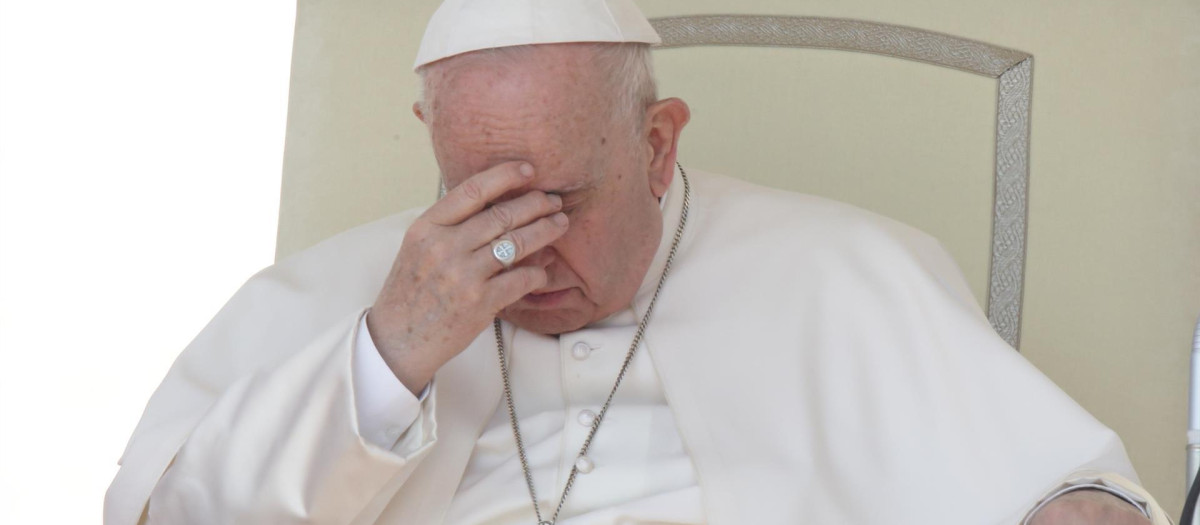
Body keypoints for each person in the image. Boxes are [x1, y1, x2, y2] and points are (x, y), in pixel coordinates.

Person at [105, 1, 1169, 523]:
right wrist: (385, 359)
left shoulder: (841, 270)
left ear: (657, 145)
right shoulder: (334, 297)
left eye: (558, 202)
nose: (516, 253)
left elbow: (1076, 487)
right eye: (477, 200)